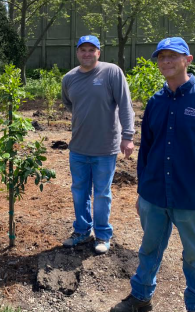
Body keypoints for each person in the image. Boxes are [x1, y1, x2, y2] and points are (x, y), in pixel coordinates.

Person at [110, 37, 195, 312]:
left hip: (192, 197)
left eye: (173, 56)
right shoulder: (156, 102)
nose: (167, 61)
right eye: (162, 57)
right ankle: (140, 297)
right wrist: (142, 192)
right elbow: (146, 151)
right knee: (149, 249)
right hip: (155, 195)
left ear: (188, 60)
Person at [61, 35, 135, 255]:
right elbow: (69, 103)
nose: (87, 54)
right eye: (83, 50)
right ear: (77, 53)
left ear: (98, 53)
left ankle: (102, 234)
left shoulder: (112, 72)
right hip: (78, 148)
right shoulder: (69, 78)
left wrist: (128, 135)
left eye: (91, 50)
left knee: (102, 193)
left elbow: (125, 104)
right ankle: (82, 231)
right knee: (79, 191)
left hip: (105, 148)